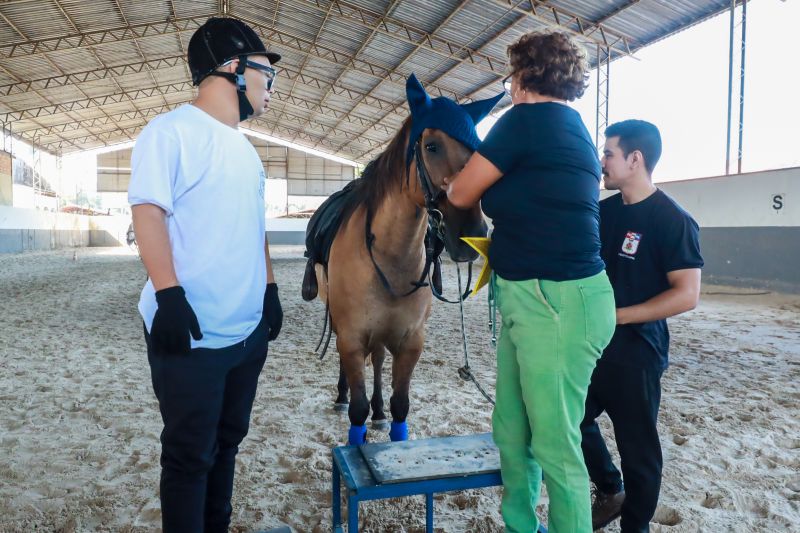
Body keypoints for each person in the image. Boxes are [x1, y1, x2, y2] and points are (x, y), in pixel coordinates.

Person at [444, 30, 616, 532]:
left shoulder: (524, 120)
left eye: (511, 74)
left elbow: (460, 191)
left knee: (557, 444)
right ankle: (521, 524)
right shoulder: (570, 124)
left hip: (556, 301)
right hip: (531, 295)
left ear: (523, 76)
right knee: (512, 429)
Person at [127, 17, 283, 533]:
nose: (271, 87)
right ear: (233, 67)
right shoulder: (170, 131)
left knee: (228, 442)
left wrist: (269, 290)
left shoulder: (246, 149)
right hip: (192, 333)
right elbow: (148, 210)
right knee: (189, 458)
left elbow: (253, 226)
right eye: (267, 73)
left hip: (243, 333)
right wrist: (169, 294)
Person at [581, 120, 703, 532]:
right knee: (569, 420)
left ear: (635, 159)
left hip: (637, 355)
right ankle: (609, 487)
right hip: (590, 347)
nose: (602, 162)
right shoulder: (600, 212)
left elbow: (686, 294)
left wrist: (620, 315)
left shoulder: (673, 220)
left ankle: (636, 527)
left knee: (639, 452)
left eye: (609, 153)